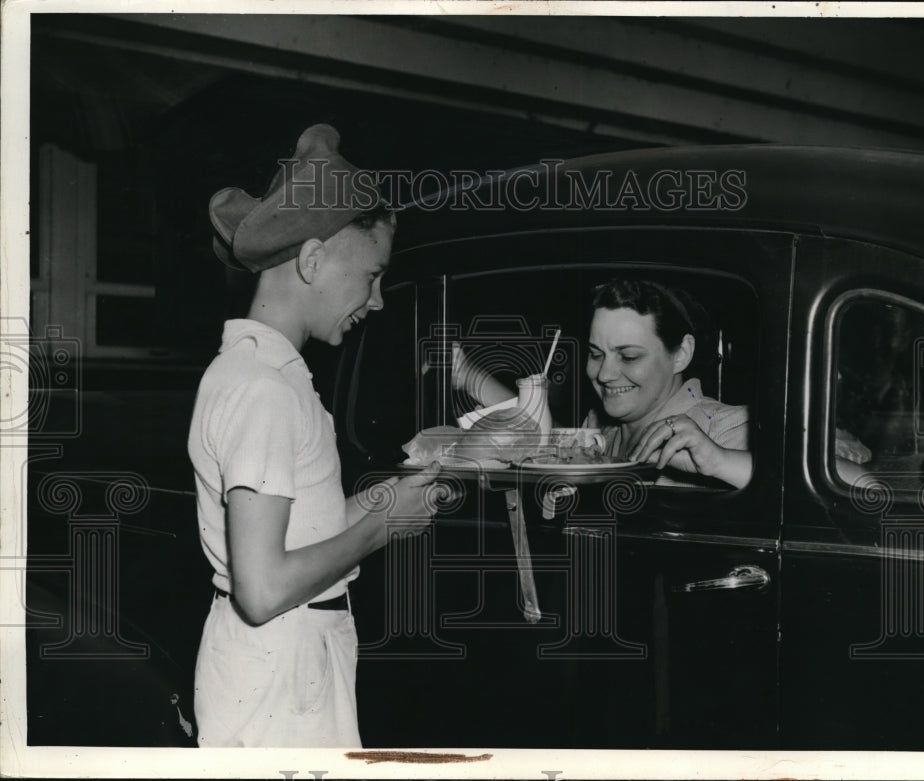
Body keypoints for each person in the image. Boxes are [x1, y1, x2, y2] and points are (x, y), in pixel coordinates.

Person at [187, 124, 444, 748]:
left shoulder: (271, 376)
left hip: (289, 658)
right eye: (372, 276)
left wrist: (399, 494)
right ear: (311, 260)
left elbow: (304, 526)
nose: (377, 300)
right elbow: (264, 586)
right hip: (279, 668)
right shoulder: (263, 389)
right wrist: (381, 528)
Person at [453, 278, 752, 488]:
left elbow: (790, 495)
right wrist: (470, 377)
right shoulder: (600, 428)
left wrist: (720, 461)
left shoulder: (732, 429)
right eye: (596, 354)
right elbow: (544, 435)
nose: (605, 374)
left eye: (629, 356)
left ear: (681, 354)